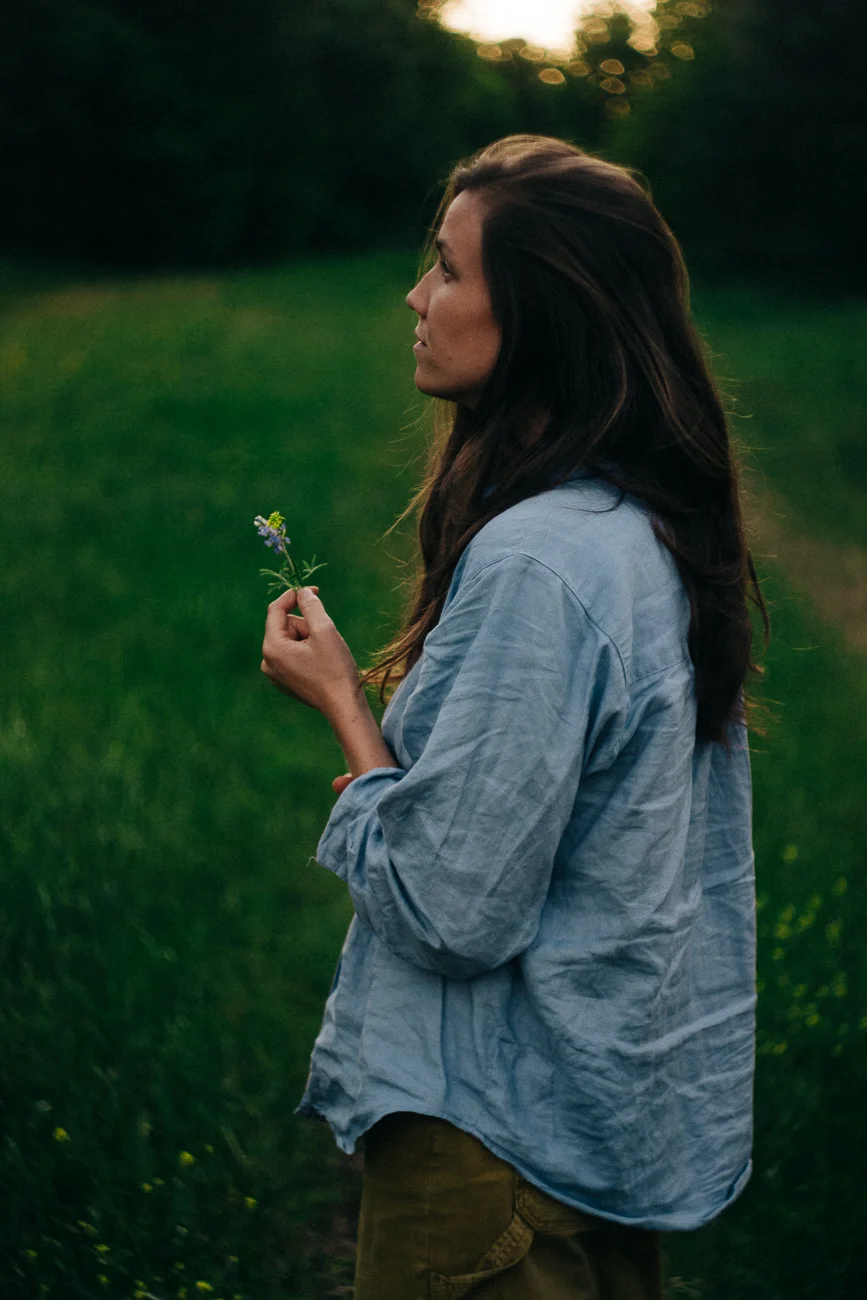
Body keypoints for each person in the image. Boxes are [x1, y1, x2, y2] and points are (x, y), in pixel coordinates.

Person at [259, 135, 767, 1300]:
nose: (416, 295)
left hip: (488, 1150)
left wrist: (342, 703)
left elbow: (452, 910)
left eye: (447, 268)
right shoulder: (640, 529)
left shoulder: (542, 562)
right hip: (589, 1136)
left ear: (538, 312)